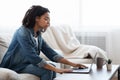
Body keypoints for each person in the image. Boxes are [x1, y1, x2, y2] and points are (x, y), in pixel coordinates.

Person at [0, 5, 87, 80]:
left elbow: (51, 53)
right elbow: (33, 57)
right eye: (46, 19)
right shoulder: (22, 32)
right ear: (37, 18)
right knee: (48, 70)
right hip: (15, 66)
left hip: (26, 64)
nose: (48, 23)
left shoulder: (38, 34)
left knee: (52, 66)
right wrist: (57, 70)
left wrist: (74, 64)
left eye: (49, 20)